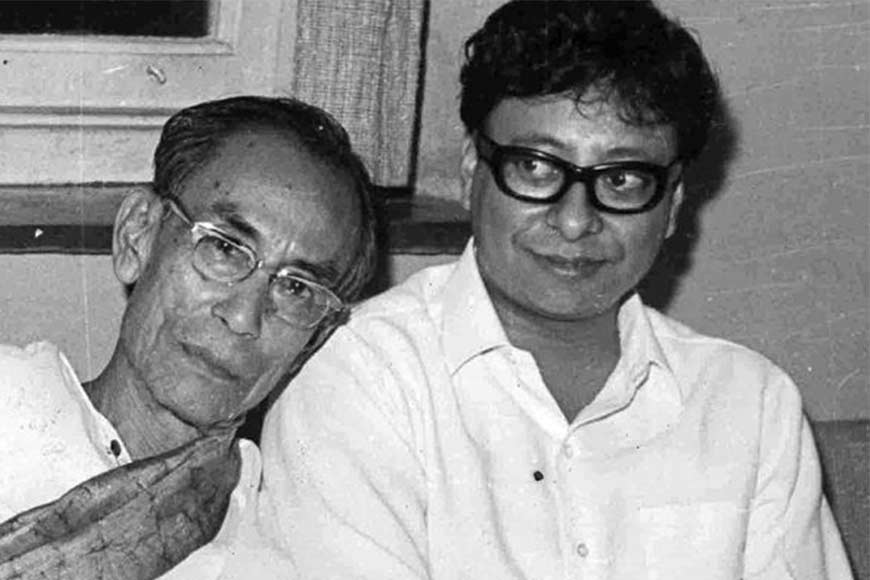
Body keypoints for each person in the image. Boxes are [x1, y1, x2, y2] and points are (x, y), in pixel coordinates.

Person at [257, 2, 854, 579]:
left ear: (672, 204)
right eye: (536, 167)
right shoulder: (359, 375)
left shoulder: (750, 405)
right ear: (471, 170)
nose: (574, 221)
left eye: (623, 178)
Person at [0, 95, 377, 579]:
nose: (243, 316)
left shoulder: (277, 548)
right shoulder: (14, 404)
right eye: (224, 247)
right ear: (137, 235)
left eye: (296, 289)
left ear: (314, 340)